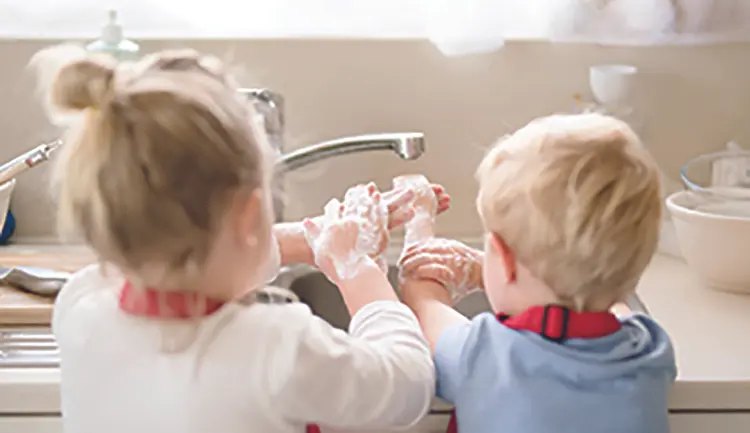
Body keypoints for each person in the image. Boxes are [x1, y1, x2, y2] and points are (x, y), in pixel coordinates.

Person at [30, 44, 450, 433]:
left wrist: (309, 239)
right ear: (250, 215)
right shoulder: (278, 348)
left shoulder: (81, 308)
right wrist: (357, 272)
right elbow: (406, 385)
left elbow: (182, 263)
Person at [398, 113, 677, 433]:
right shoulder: (649, 350)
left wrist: (420, 221)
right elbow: (604, 294)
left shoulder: (485, 354)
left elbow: (424, 303)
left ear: (504, 259)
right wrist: (486, 270)